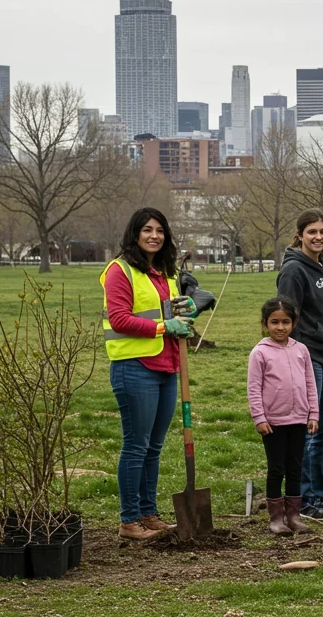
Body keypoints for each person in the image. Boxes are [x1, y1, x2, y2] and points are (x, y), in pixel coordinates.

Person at [102, 208, 196, 541]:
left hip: (166, 366)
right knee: (136, 446)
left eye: (160, 230)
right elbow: (119, 319)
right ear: (134, 234)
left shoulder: (163, 272)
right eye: (147, 230)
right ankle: (129, 521)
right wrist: (162, 325)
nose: (154, 235)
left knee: (153, 447)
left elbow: (167, 309)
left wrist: (182, 309)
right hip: (134, 367)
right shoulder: (119, 270)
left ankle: (148, 513)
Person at [276, 209, 323, 522]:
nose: (318, 237)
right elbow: (285, 317)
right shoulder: (294, 271)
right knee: (307, 429)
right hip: (307, 358)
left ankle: (318, 494)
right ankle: (302, 499)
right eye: (312, 232)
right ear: (300, 234)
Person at [247, 297, 320, 536]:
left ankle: (294, 515)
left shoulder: (301, 350)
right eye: (275, 322)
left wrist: (313, 413)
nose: (280, 327)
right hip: (273, 424)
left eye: (286, 322)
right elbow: (254, 387)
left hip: (299, 420)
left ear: (294, 322)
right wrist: (259, 418)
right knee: (276, 468)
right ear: (265, 323)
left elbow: (310, 382)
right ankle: (276, 518)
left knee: (295, 468)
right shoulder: (260, 353)